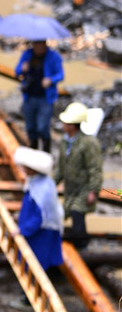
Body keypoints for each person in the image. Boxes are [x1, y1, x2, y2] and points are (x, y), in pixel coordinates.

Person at [54, 102, 103, 248]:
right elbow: (61, 168)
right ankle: (78, 242)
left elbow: (95, 168)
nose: (63, 124)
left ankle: (81, 246)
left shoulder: (89, 143)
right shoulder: (65, 142)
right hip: (71, 188)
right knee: (71, 214)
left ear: (72, 125)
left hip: (84, 188)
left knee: (77, 212)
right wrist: (51, 183)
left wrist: (93, 190)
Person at [13, 147, 63, 271]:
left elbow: (40, 217)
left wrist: (22, 230)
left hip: (40, 233)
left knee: (36, 264)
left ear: (33, 170)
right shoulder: (35, 182)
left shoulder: (44, 188)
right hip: (32, 229)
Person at [15, 40, 64, 153]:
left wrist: (50, 80)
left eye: (41, 44)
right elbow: (17, 72)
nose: (39, 47)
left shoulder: (53, 56)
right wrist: (22, 69)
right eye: (36, 44)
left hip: (45, 98)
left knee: (42, 127)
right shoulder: (27, 55)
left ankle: (46, 152)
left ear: (45, 44)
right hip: (29, 96)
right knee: (30, 128)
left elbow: (60, 74)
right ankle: (34, 152)